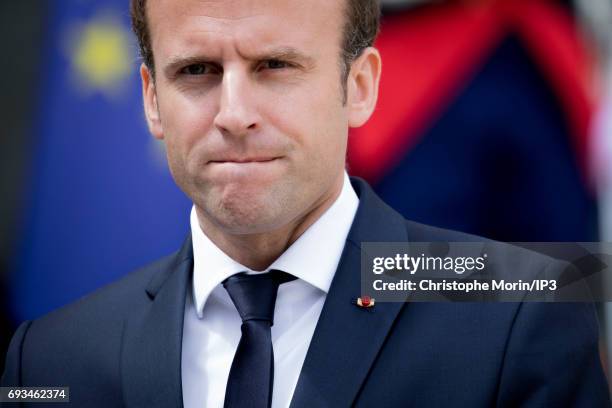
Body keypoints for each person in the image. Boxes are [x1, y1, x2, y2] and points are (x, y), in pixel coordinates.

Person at [2, 0, 610, 407]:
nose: (234, 115)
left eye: (275, 66)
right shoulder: (47, 360)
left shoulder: (527, 315)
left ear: (360, 86)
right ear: (152, 99)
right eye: (195, 70)